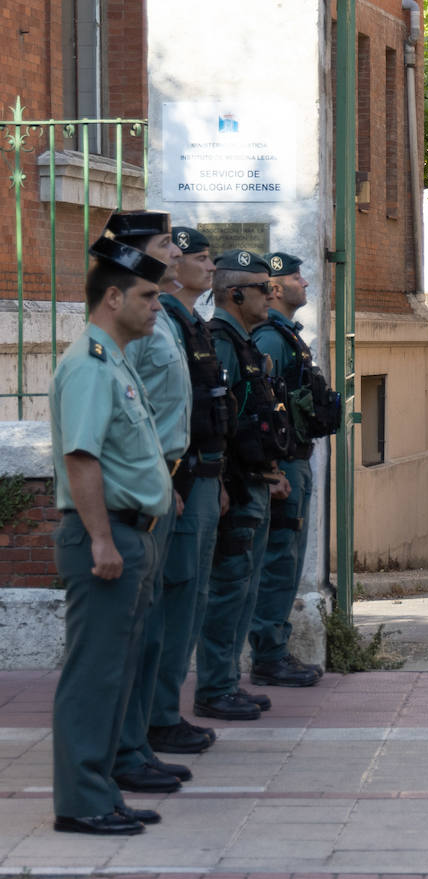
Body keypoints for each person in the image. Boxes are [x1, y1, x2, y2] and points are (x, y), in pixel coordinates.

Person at [49, 236, 172, 835]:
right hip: (107, 537)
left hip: (132, 534)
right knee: (94, 675)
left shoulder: (116, 359)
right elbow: (81, 458)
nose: (157, 304)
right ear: (114, 297)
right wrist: (100, 539)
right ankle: (81, 802)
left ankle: (101, 789)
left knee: (116, 674)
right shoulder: (89, 365)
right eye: (148, 295)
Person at [104, 211, 196, 796]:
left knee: (153, 627)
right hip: (144, 485)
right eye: (165, 242)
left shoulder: (158, 316)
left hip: (165, 481)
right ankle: (126, 747)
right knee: (136, 630)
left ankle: (139, 739)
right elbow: (127, 414)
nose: (174, 251)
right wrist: (156, 479)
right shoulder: (129, 327)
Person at [145, 226, 232, 754]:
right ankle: (157, 715)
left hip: (200, 475)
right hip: (178, 479)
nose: (208, 266)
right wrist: (174, 478)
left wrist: (216, 476)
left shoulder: (189, 323)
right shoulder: (166, 326)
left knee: (191, 596)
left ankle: (163, 711)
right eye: (198, 257)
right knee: (174, 598)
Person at [194, 250, 291, 721]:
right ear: (235, 294)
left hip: (254, 481)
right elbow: (222, 423)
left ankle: (227, 681)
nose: (271, 293)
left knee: (244, 589)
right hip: (235, 485)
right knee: (228, 589)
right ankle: (215, 687)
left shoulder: (246, 340)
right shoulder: (223, 343)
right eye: (261, 287)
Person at [248, 251, 335, 687]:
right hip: (284, 466)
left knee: (287, 560)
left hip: (296, 460)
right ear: (277, 288)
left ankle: (273, 650)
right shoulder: (269, 340)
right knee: (278, 561)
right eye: (297, 276)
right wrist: (275, 467)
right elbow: (262, 409)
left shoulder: (286, 336)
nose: (306, 281)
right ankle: (268, 655)